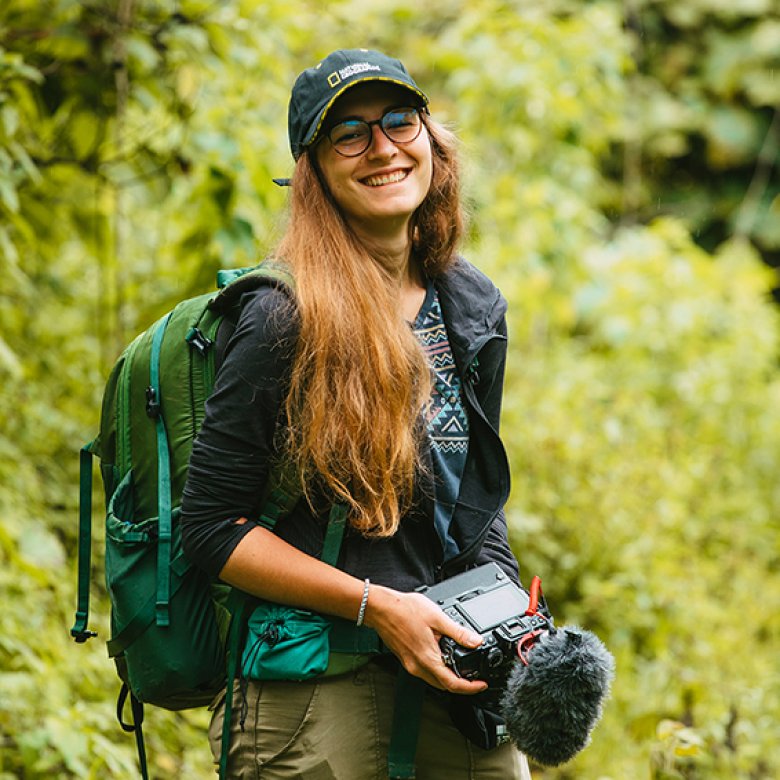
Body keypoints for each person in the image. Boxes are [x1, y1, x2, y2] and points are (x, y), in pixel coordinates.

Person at [181, 48, 532, 780]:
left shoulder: (472, 307)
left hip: (450, 678)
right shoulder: (281, 318)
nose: (382, 148)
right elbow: (211, 528)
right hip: (312, 693)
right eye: (350, 132)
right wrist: (377, 606)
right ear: (313, 170)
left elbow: (472, 504)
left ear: (431, 140)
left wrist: (509, 615)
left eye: (400, 121)